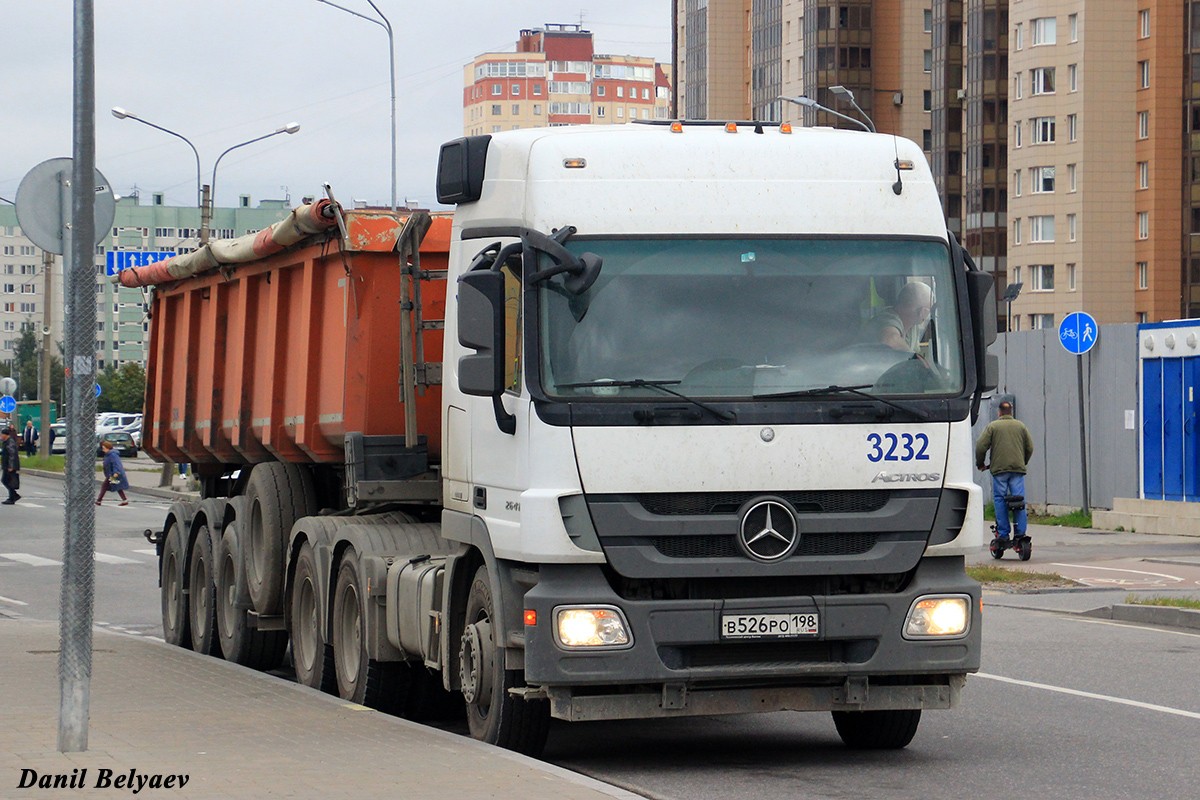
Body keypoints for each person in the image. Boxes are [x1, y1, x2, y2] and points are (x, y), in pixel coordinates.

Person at [975, 401, 1034, 542]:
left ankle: (1003, 534)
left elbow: (980, 446)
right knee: (1019, 500)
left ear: (999, 413)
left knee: (1000, 500)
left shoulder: (993, 427)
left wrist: (981, 464)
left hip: (999, 470)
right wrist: (1023, 461)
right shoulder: (1021, 426)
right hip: (1017, 470)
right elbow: (1030, 447)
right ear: (1011, 412)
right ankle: (1020, 533)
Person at [864, 281, 934, 352]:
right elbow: (889, 340)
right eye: (929, 310)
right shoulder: (886, 319)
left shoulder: (913, 328)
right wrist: (915, 359)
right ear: (922, 312)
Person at [96, 440, 130, 506]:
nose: (103, 450)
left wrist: (116, 472)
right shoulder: (109, 455)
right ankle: (124, 500)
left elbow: (116, 464)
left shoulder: (112, 455)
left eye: (104, 448)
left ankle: (99, 500)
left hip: (113, 474)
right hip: (111, 474)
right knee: (117, 486)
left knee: (105, 486)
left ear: (108, 448)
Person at [1, 426, 20, 505]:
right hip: (7, 465)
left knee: (7, 481)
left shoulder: (10, 442)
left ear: (6, 435)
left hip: (10, 466)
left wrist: (11, 466)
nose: (1, 436)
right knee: (6, 480)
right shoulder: (6, 442)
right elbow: (5, 452)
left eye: (2, 434)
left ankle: (13, 497)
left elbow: (12, 455)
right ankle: (13, 496)